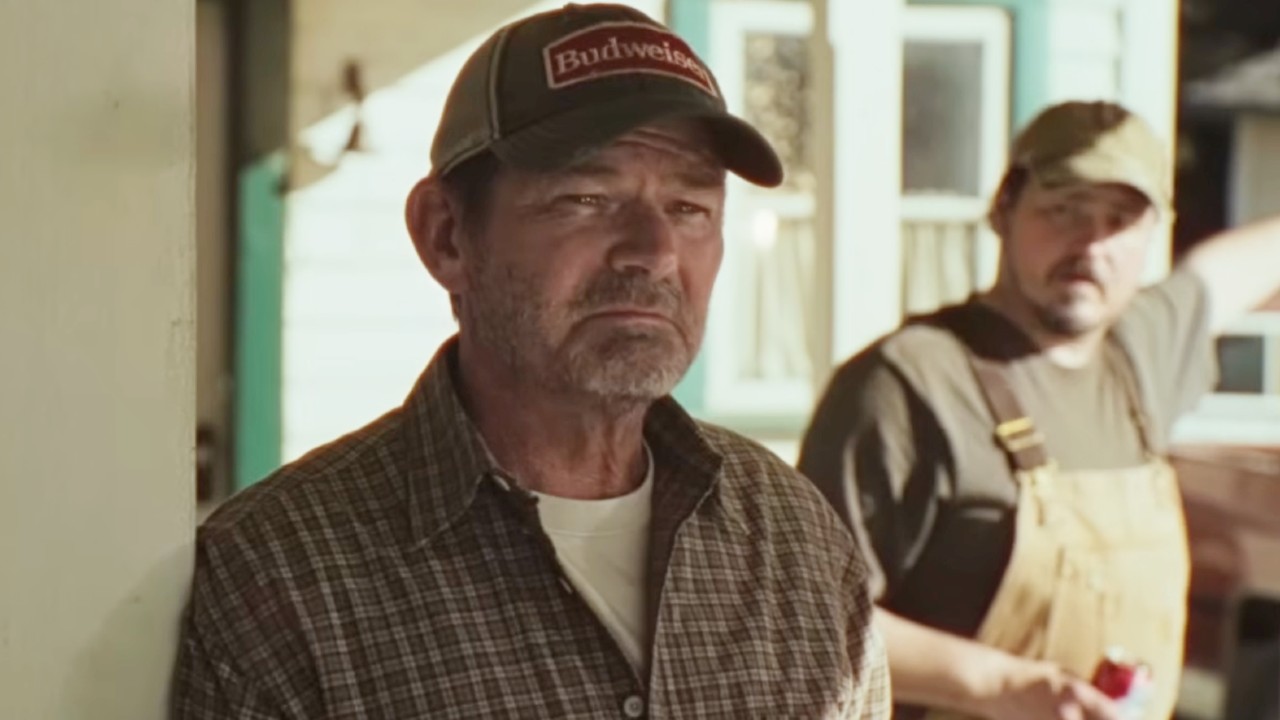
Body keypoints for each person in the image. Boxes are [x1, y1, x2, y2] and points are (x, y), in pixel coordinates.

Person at [171, 4, 890, 718]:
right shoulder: (280, 575)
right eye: (586, 197)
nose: (655, 252)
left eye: (690, 207)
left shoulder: (796, 538)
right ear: (446, 235)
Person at [797, 100, 1280, 720]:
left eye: (1119, 221)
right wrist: (1003, 686)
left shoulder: (1142, 354)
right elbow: (808, 621)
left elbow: (1234, 268)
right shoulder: (907, 384)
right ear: (1003, 209)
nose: (1092, 245)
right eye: (1064, 212)